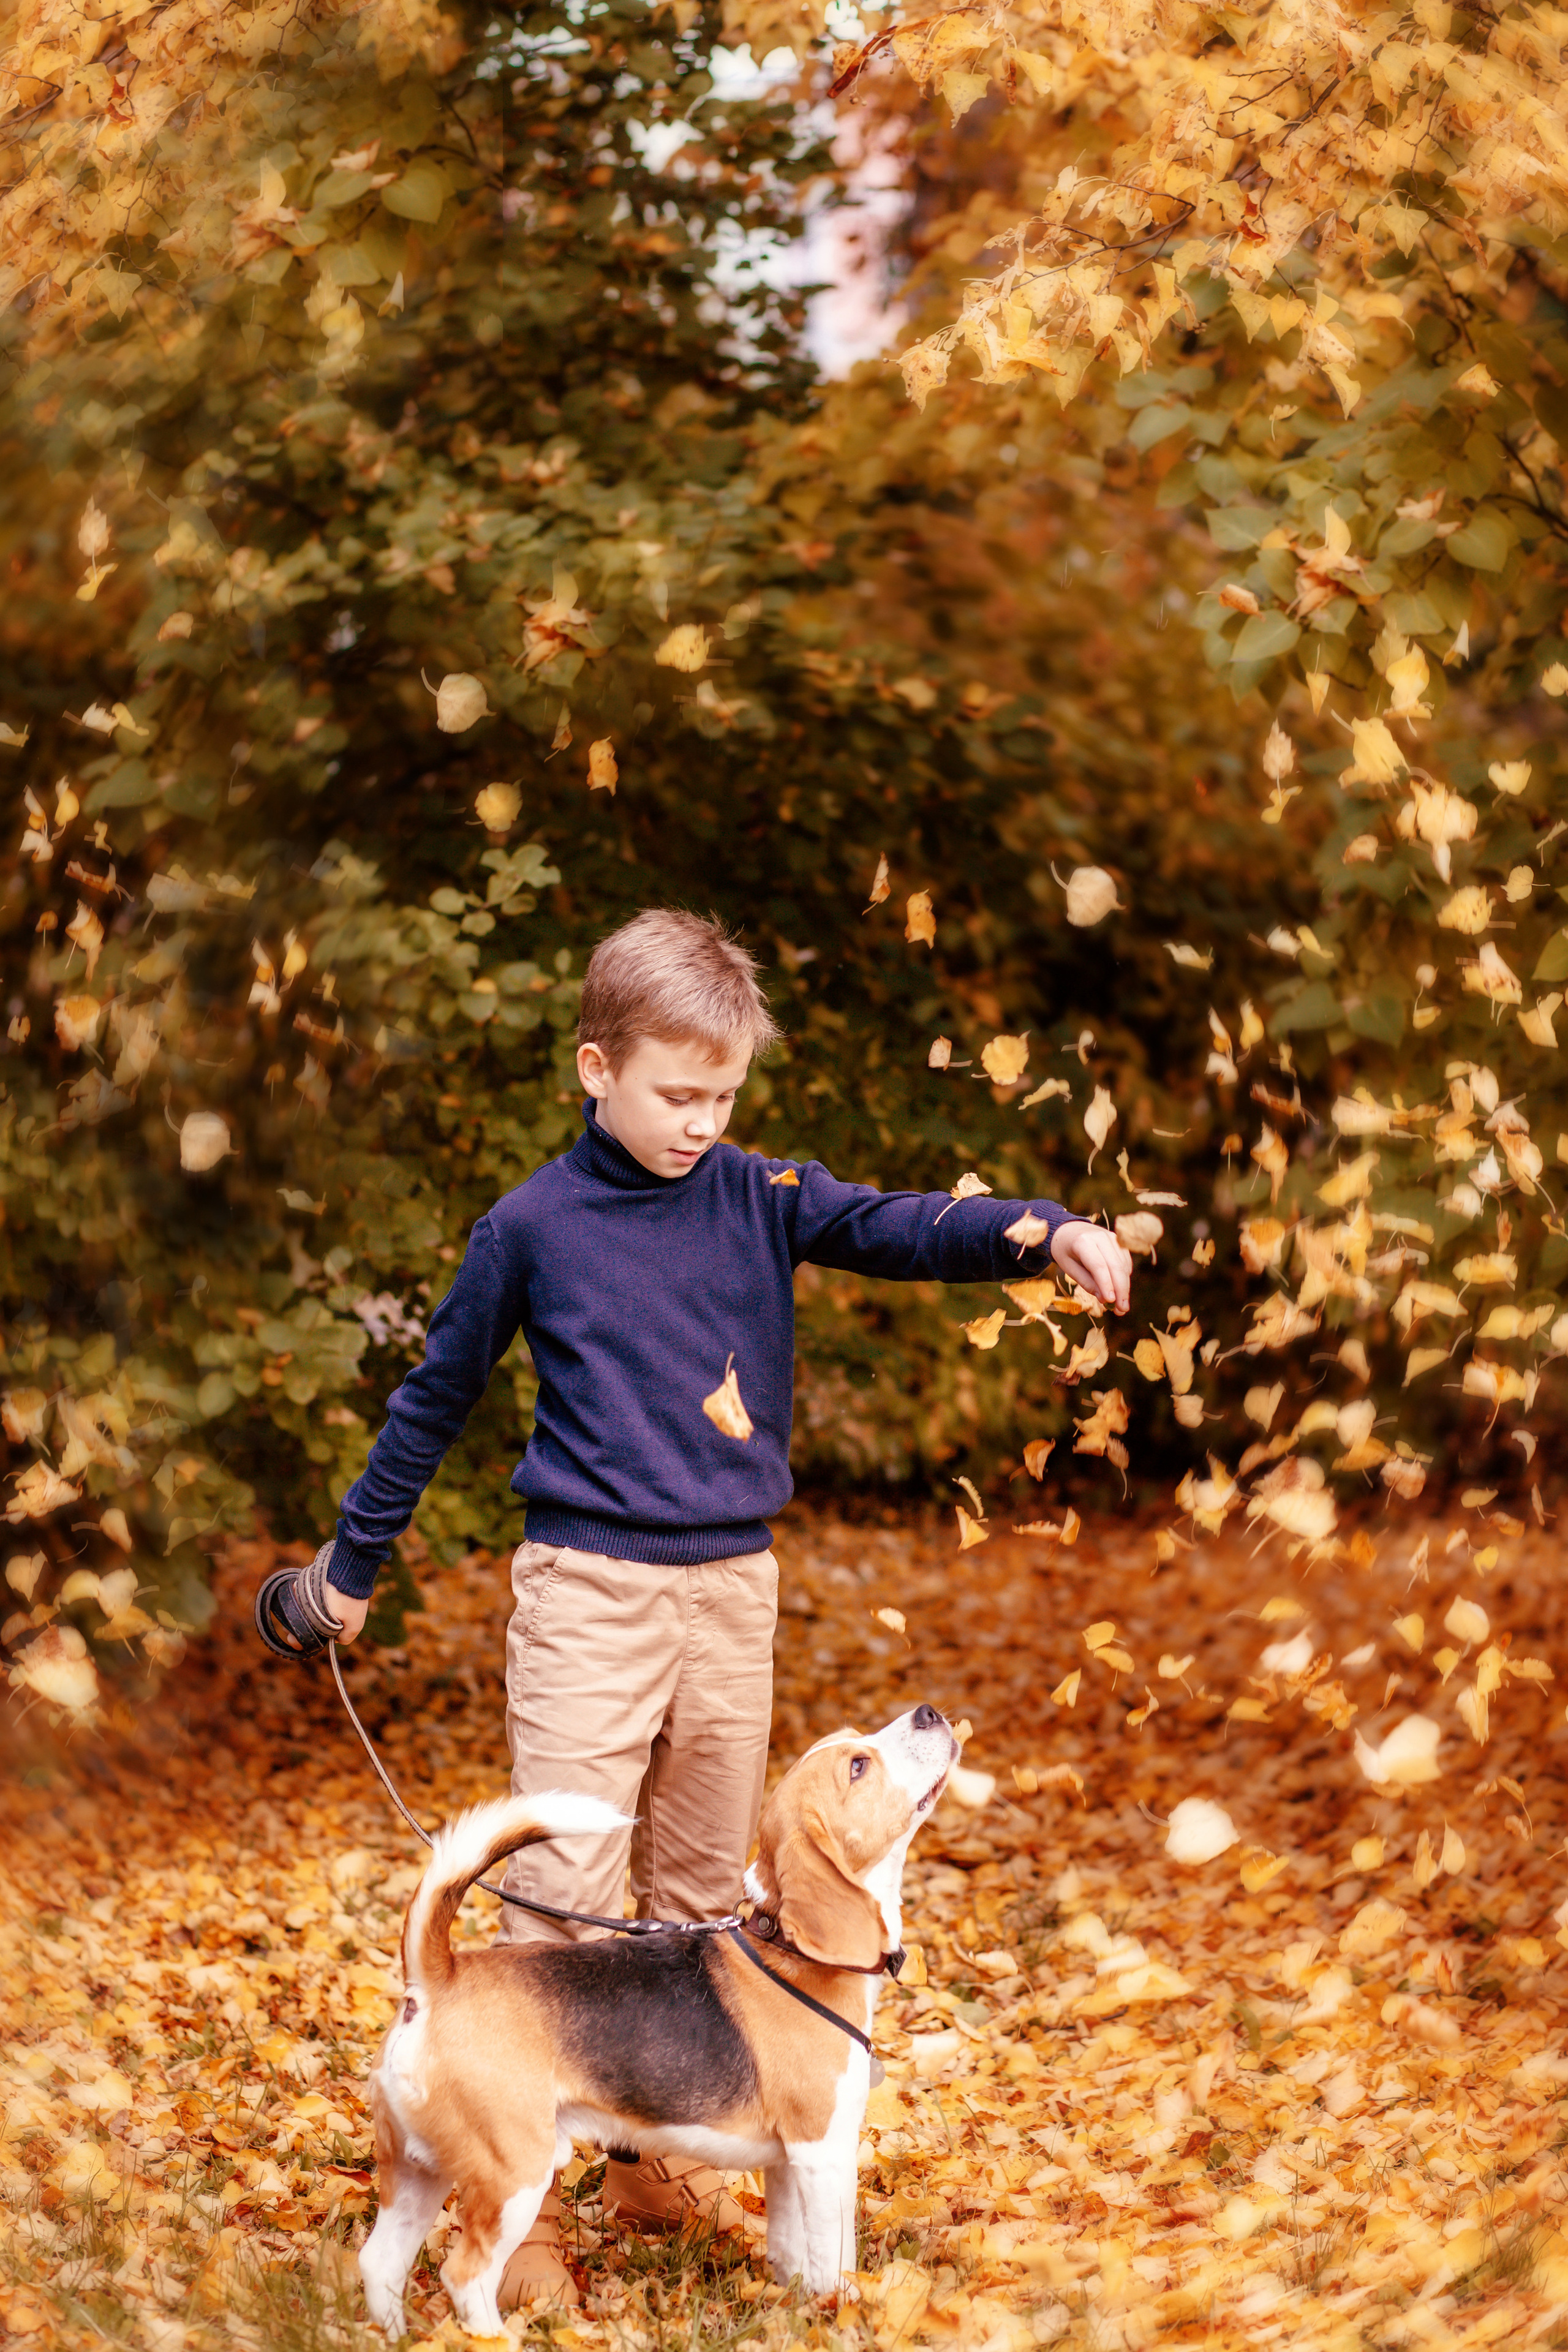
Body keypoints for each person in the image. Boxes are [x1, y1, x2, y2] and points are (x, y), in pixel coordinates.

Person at [311, 908, 1133, 2302]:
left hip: (729, 1587)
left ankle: (654, 2166)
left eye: (721, 1098)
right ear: (595, 1067)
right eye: (674, 1096)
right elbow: (434, 1396)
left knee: (699, 1895)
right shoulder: (529, 1228)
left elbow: (892, 1224)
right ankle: (528, 2205)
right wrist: (347, 1565)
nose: (700, 1123)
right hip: (588, 1590)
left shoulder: (757, 1193)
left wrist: (1038, 1230)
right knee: (562, 1902)